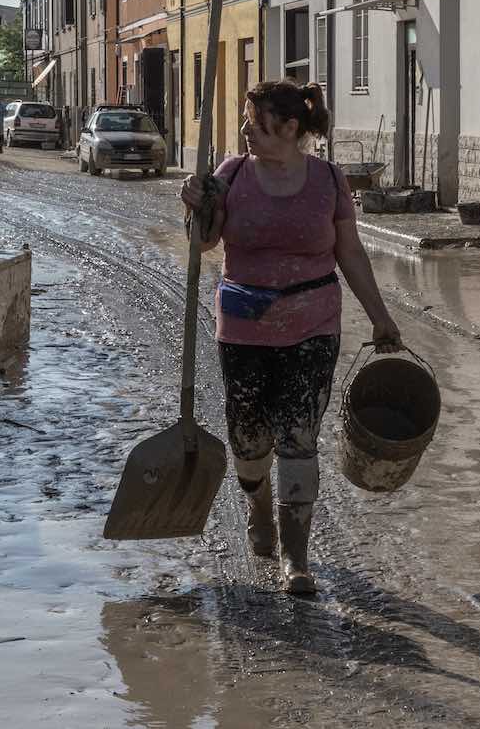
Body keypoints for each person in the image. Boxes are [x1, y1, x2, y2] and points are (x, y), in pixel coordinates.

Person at [179, 80, 401, 597]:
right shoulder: (230, 175)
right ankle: (258, 505)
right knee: (248, 437)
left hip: (313, 325)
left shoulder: (327, 180)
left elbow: (350, 253)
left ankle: (295, 557)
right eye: (245, 121)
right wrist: (194, 204)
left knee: (299, 436)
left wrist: (380, 317)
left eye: (254, 123)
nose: (245, 131)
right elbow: (205, 240)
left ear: (290, 129)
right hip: (243, 327)